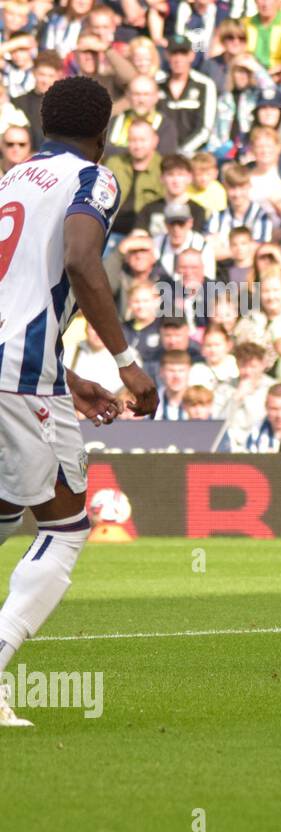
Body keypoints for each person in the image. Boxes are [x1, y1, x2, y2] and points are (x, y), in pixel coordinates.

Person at [0, 76, 158, 728]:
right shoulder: (93, 178)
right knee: (65, 530)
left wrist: (65, 374)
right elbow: (83, 260)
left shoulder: (10, 180)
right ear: (105, 131)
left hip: (23, 367)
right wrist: (125, 363)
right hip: (20, 376)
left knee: (7, 510)